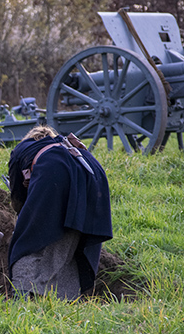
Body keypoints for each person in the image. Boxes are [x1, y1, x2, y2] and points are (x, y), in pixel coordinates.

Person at [7, 125, 113, 300]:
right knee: (72, 241)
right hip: (94, 179)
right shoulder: (67, 145)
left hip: (55, 175)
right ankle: (65, 297)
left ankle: (21, 296)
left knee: (26, 246)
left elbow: (18, 198)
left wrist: (24, 220)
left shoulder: (23, 149)